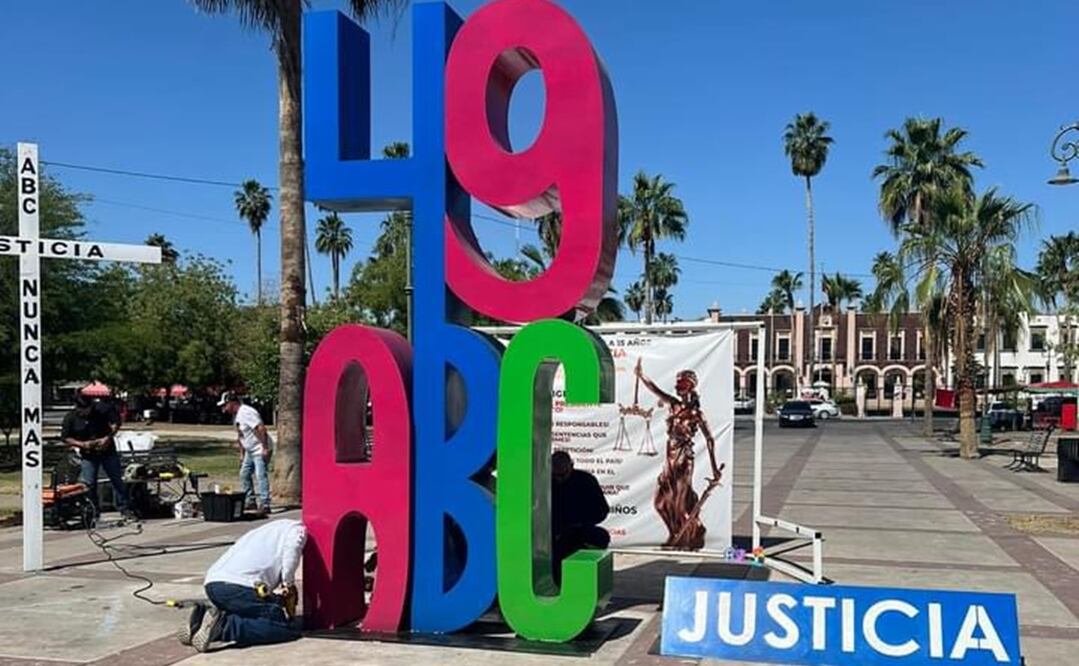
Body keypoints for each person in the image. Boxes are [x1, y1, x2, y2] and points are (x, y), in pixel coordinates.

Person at [636, 359, 723, 550]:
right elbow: (657, 391)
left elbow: (710, 440)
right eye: (678, 384)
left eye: (682, 384)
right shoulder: (674, 406)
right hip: (670, 458)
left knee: (679, 503)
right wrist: (642, 376)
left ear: (691, 387)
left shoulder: (696, 414)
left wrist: (715, 468)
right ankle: (675, 533)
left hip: (684, 458)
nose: (678, 387)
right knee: (660, 503)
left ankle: (687, 539)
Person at [181, 519, 306, 652]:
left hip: (213, 584)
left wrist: (279, 598)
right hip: (238, 586)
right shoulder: (298, 530)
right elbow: (291, 553)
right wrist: (289, 583)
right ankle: (224, 627)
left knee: (256, 609)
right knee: (279, 624)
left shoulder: (267, 531)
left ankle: (201, 623)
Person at [61, 394, 131, 520]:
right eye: (82, 409)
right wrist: (82, 444)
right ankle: (93, 511)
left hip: (107, 451)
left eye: (88, 408)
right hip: (88, 454)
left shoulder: (102, 410)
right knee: (89, 484)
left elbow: (115, 422)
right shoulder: (71, 417)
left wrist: (108, 437)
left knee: (117, 480)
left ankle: (125, 508)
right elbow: (65, 437)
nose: (86, 411)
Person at [551, 451, 610, 572]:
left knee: (601, 537)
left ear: (571, 466)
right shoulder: (544, 482)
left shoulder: (586, 480)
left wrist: (580, 522)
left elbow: (602, 510)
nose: (559, 479)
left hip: (579, 529)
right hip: (552, 531)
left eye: (563, 475)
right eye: (555, 475)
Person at [218, 393, 271, 515]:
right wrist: (242, 454)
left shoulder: (247, 412)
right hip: (249, 450)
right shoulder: (236, 416)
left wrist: (265, 448)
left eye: (225, 405)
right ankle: (250, 500)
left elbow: (260, 428)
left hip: (259, 448)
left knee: (260, 475)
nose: (224, 409)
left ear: (232, 403)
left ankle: (265, 503)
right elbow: (240, 436)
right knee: (244, 473)